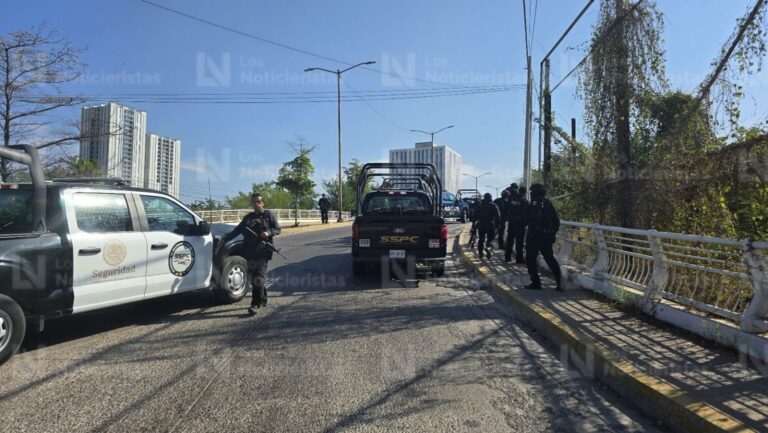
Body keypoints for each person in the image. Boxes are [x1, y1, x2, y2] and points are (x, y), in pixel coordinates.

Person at [217, 193, 282, 314]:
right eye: (254, 202)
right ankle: (263, 298)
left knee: (258, 275)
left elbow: (278, 229)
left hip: (263, 251)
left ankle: (255, 304)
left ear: (263, 203)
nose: (256, 204)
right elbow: (237, 231)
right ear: (251, 204)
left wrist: (268, 232)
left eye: (259, 202)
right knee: (254, 277)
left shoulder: (268, 215)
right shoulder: (248, 218)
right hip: (249, 251)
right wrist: (224, 239)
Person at [524, 184, 562, 291]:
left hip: (534, 236)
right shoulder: (548, 203)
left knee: (530, 259)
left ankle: (536, 283)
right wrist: (552, 233)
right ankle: (560, 283)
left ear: (535, 192)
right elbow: (556, 221)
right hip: (546, 236)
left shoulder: (534, 203)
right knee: (550, 258)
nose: (530, 194)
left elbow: (528, 219)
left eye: (532, 192)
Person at [505, 184, 528, 264]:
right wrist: (525, 223)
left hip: (511, 222)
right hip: (520, 224)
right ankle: (519, 259)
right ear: (524, 193)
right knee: (519, 242)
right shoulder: (524, 200)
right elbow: (526, 213)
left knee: (510, 240)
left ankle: (507, 257)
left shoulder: (512, 198)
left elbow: (507, 208)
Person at [473, 193, 500, 259]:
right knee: (490, 239)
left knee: (481, 239)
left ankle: (480, 253)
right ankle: (488, 248)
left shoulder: (479, 206)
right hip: (490, 224)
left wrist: (473, 224)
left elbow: (474, 216)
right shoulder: (493, 205)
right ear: (490, 198)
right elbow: (498, 216)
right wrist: (497, 225)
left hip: (481, 224)